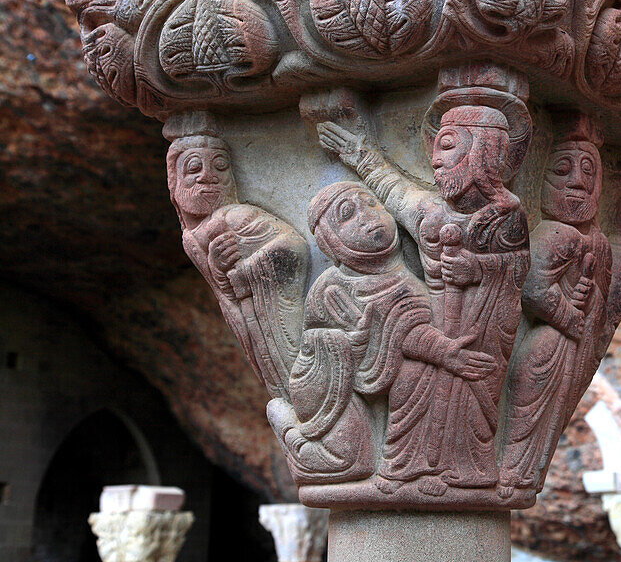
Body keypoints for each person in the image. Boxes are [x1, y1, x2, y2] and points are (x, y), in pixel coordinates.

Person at [318, 104, 529, 493]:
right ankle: (408, 468)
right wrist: (360, 155)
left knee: (471, 391)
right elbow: (392, 190)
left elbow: (519, 271)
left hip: (480, 332)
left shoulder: (507, 217)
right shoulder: (431, 213)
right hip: (432, 327)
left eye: (447, 146)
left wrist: (478, 270)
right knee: (412, 378)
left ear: (480, 151)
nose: (434, 159)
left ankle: (464, 470)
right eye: (433, 148)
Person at [499, 113, 611, 497]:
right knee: (525, 426)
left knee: (542, 427)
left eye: (589, 173)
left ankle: (517, 473)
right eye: (562, 170)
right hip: (546, 348)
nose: (578, 181)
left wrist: (584, 300)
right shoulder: (553, 233)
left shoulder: (594, 241)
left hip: (568, 346)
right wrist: (568, 316)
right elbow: (531, 289)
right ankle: (511, 471)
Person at [166, 133, 308, 400]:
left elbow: (295, 248)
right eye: (194, 168)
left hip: (282, 322)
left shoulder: (236, 216)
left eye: (220, 167)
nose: (208, 176)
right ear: (174, 183)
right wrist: (222, 276)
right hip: (253, 326)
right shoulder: (192, 237)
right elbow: (227, 296)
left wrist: (246, 267)